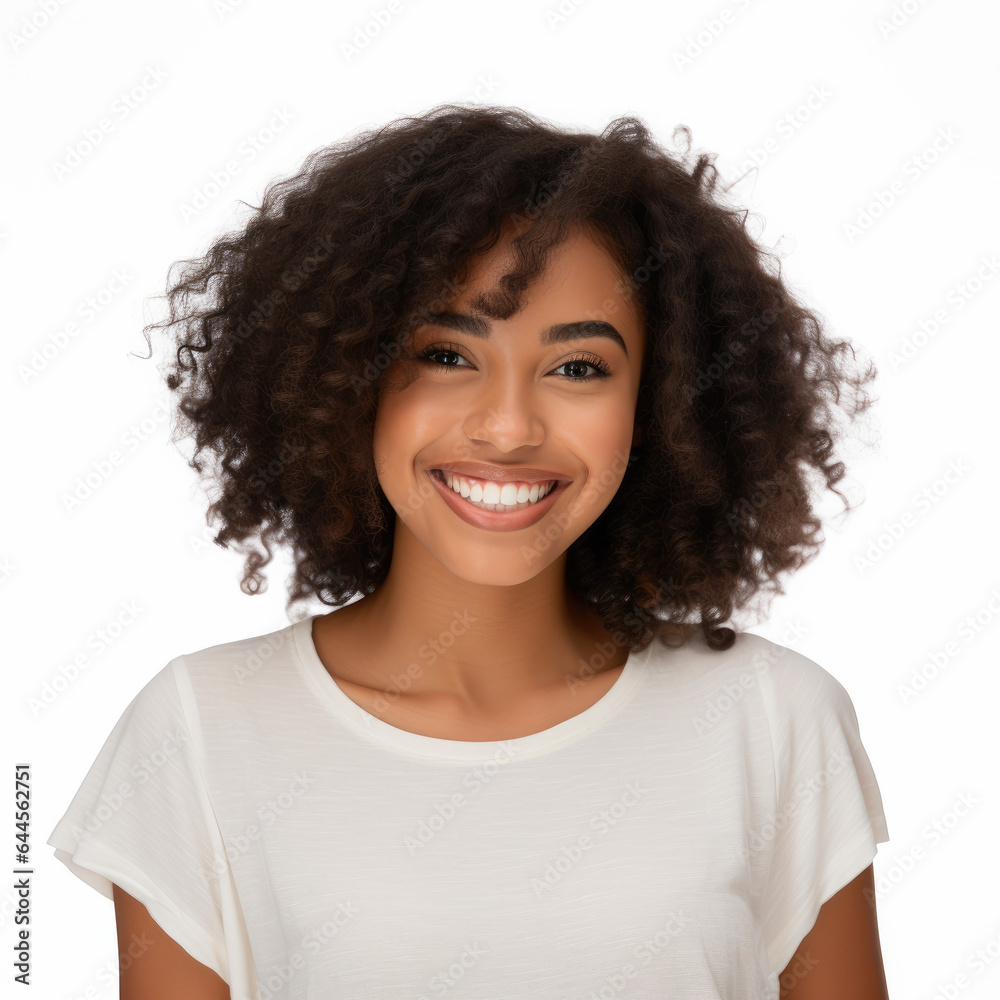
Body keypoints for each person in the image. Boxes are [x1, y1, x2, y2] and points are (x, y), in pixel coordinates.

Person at [47, 103, 891, 999]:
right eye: (447, 354)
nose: (506, 427)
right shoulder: (201, 730)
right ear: (345, 379)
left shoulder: (773, 720)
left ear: (662, 408)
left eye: (578, 368)